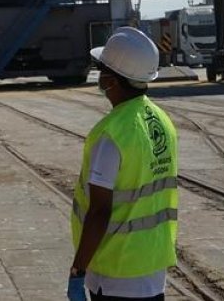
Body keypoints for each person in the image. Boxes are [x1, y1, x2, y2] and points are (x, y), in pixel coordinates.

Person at [68, 27, 179, 301]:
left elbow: (99, 212)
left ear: (112, 81)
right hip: (152, 269)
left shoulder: (112, 135)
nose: (99, 77)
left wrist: (78, 270)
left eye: (101, 70)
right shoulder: (162, 122)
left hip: (116, 273)